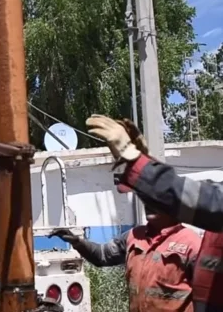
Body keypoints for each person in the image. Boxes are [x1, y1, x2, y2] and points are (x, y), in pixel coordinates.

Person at [86, 114, 223, 312]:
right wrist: (142, 166)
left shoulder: (190, 242)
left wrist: (136, 160)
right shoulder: (135, 236)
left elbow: (186, 198)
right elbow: (178, 197)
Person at [50, 202, 200, 311]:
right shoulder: (133, 236)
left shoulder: (191, 244)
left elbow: (210, 297)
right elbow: (102, 255)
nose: (148, 203)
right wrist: (77, 242)